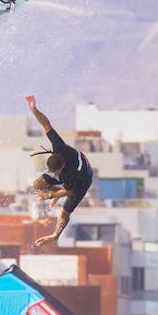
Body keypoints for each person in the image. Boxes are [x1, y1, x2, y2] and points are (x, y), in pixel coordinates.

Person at [26, 94, 94, 247]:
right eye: (53, 173)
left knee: (63, 212)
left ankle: (55, 235)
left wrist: (50, 195)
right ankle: (53, 193)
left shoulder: (71, 174)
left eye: (55, 173)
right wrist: (33, 109)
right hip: (67, 175)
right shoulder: (59, 148)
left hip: (82, 181)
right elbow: (46, 124)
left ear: (61, 167)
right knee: (37, 184)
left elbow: (68, 191)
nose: (54, 175)